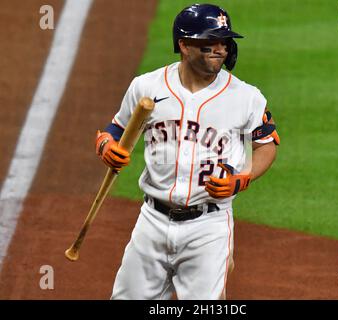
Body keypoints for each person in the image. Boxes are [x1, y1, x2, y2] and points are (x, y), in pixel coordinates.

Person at [95, 3, 280, 300]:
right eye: (209, 41)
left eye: (223, 41)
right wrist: (107, 146)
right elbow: (115, 129)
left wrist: (241, 179)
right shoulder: (146, 86)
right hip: (152, 221)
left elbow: (266, 145)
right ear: (183, 44)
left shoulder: (246, 97)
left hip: (209, 225)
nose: (219, 48)